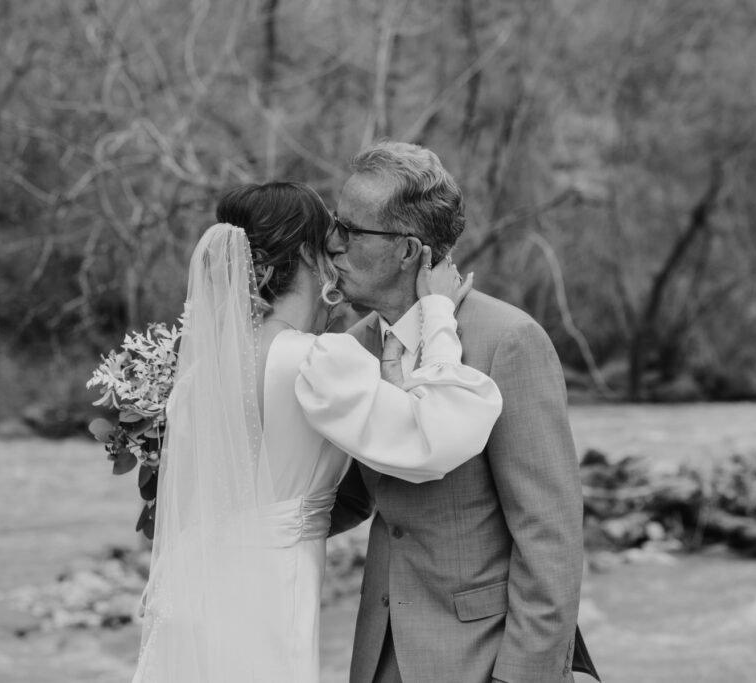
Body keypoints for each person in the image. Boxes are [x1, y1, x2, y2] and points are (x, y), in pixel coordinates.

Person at [131, 181, 503, 683]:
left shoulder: (201, 375)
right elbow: (437, 435)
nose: (341, 251)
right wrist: (437, 312)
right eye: (334, 239)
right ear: (310, 255)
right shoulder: (314, 361)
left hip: (200, 590)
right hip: (268, 592)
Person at [327, 141, 599, 683]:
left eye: (351, 231)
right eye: (336, 223)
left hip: (481, 656)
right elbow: (348, 495)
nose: (332, 244)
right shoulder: (351, 347)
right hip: (378, 654)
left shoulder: (508, 340)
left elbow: (551, 535)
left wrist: (521, 677)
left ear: (408, 251)